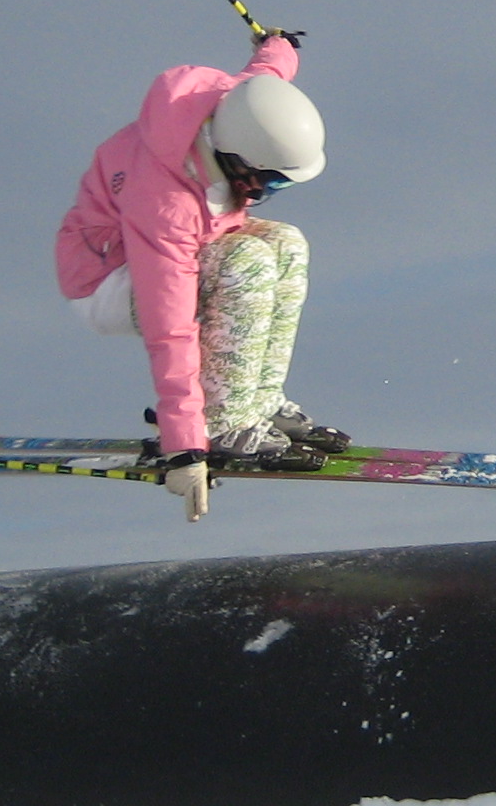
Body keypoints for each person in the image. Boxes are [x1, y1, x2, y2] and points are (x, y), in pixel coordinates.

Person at [54, 29, 349, 522]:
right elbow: (168, 327)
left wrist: (278, 46)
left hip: (185, 249)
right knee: (246, 262)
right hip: (110, 283)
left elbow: (265, 75)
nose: (269, 189)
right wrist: (185, 443)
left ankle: (256, 399)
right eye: (271, 178)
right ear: (238, 160)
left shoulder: (229, 109)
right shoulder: (164, 203)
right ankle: (225, 422)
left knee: (287, 243)